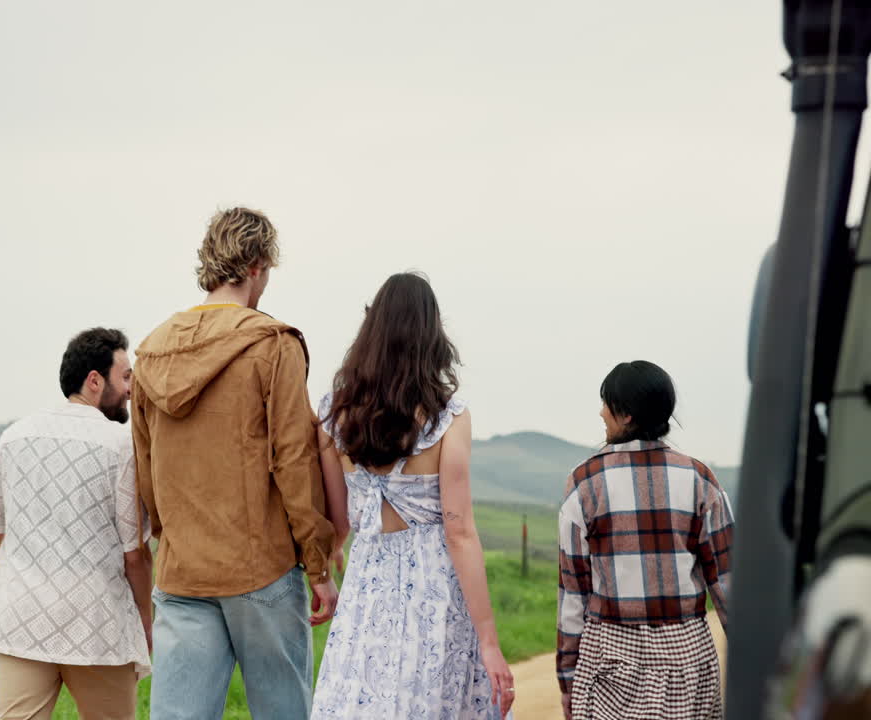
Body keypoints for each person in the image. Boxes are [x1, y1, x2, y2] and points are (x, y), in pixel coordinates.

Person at [131, 207, 339, 720]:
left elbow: (145, 470)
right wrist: (318, 564)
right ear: (257, 265)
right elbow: (294, 460)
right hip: (261, 567)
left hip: (181, 571)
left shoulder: (151, 354)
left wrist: (170, 538)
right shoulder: (273, 343)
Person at [311, 272, 515, 720]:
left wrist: (323, 573)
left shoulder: (333, 413)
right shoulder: (448, 418)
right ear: (431, 336)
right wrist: (489, 641)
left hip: (366, 583)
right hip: (434, 590)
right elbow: (460, 533)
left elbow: (337, 520)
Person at [0, 328, 152, 720]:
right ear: (94, 380)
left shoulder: (16, 435)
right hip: (97, 623)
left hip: (22, 617)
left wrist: (38, 559)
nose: (133, 388)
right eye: (126, 376)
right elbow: (134, 554)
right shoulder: (121, 445)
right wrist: (146, 624)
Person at [557, 360, 733, 720]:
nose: (601, 412)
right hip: (687, 661)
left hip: (610, 660)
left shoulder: (583, 483)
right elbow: (729, 583)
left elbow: (574, 594)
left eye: (607, 403)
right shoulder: (701, 479)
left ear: (626, 415)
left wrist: (568, 680)